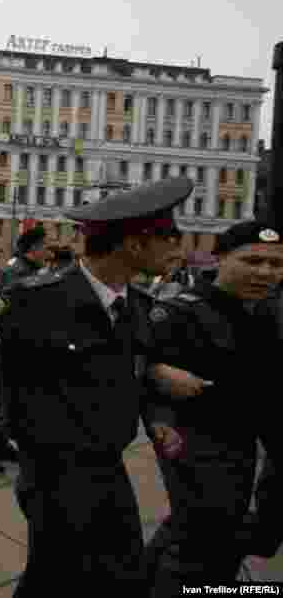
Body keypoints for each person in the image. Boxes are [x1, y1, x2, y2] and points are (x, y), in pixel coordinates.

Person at [0, 176, 190, 596]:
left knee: (82, 577)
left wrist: (158, 419)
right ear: (133, 245)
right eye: (170, 238)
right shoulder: (33, 299)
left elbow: (137, 371)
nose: (179, 248)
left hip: (107, 467)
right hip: (55, 476)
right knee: (69, 577)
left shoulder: (138, 306)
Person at [141, 221, 283, 594]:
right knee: (205, 542)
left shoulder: (268, 311)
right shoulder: (180, 313)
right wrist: (154, 373)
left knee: (201, 532)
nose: (265, 272)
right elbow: (135, 368)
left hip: (251, 437)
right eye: (252, 260)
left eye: (275, 263)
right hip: (199, 443)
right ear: (220, 258)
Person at [0, 225, 48, 472]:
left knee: (3, 390)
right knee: (13, 392)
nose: (47, 252)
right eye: (44, 247)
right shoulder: (20, 271)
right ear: (33, 249)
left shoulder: (23, 267)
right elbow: (4, 302)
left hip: (6, 338)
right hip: (11, 340)